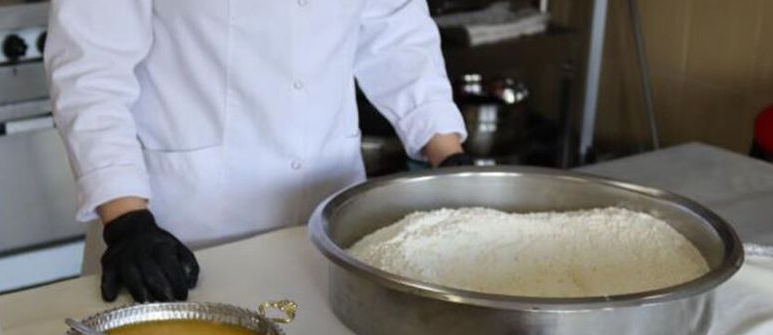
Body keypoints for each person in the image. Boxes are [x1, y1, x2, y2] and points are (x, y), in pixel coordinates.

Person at [45, 1, 471, 302]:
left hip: (327, 224)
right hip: (178, 236)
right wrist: (127, 221)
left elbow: (396, 33)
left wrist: (447, 154)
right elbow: (91, 72)